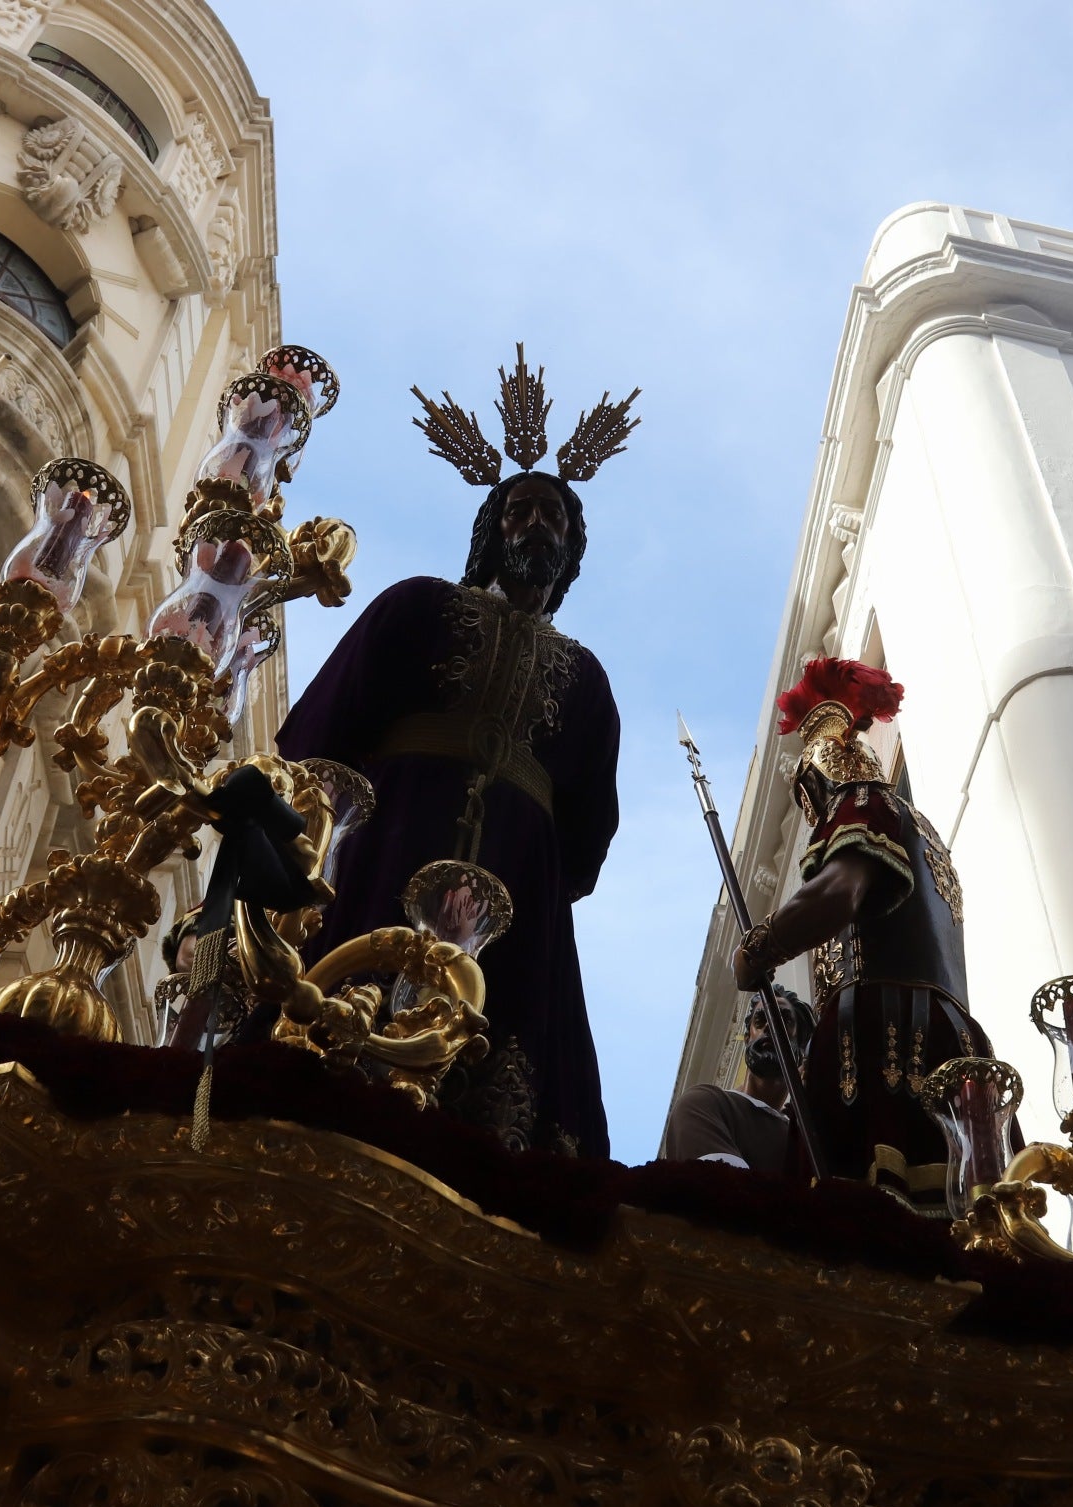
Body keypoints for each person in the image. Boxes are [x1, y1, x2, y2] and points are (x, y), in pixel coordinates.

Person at [275, 350, 637, 1155]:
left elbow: (586, 838)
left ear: (574, 549)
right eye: (521, 512)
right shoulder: (417, 608)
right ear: (489, 531)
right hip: (391, 840)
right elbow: (322, 741)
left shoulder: (587, 681)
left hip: (517, 880)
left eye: (556, 519)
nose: (538, 526)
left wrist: (527, 868)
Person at [733, 657, 990, 1198]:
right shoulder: (923, 830)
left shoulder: (864, 803)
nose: (813, 816)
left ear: (825, 772)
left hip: (884, 1035)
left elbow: (836, 894)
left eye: (809, 795)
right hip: (955, 1041)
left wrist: (758, 949)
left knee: (860, 1210)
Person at [662, 989, 812, 1172]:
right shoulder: (705, 1105)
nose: (770, 1025)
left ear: (802, 1048)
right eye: (760, 1019)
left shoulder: (805, 1134)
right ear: (747, 1038)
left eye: (784, 1020)